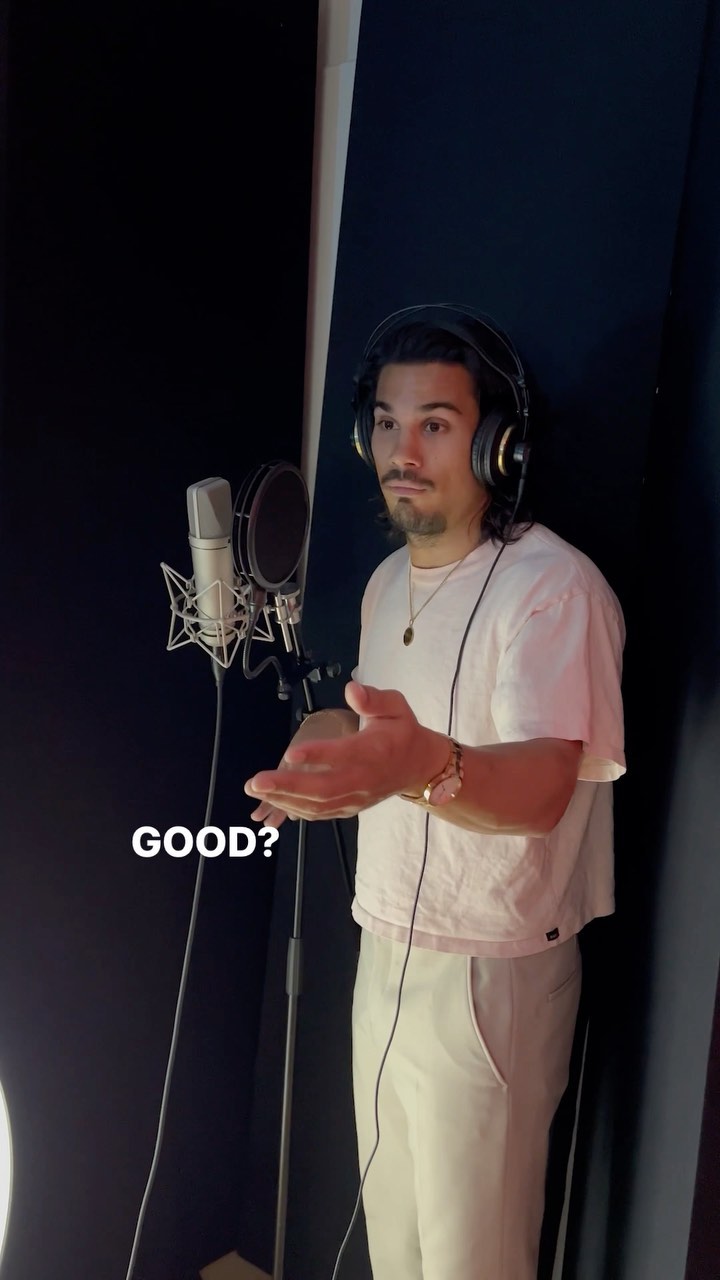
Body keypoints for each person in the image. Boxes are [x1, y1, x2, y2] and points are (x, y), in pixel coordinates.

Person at [245, 305, 626, 1280]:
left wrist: (420, 769)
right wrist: (327, 740)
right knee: (396, 1250)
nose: (400, 453)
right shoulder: (386, 583)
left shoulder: (553, 590)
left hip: (488, 980)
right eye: (385, 422)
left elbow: (543, 789)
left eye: (436, 424)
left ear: (499, 444)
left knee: (472, 1262)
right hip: (384, 951)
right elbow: (385, 728)